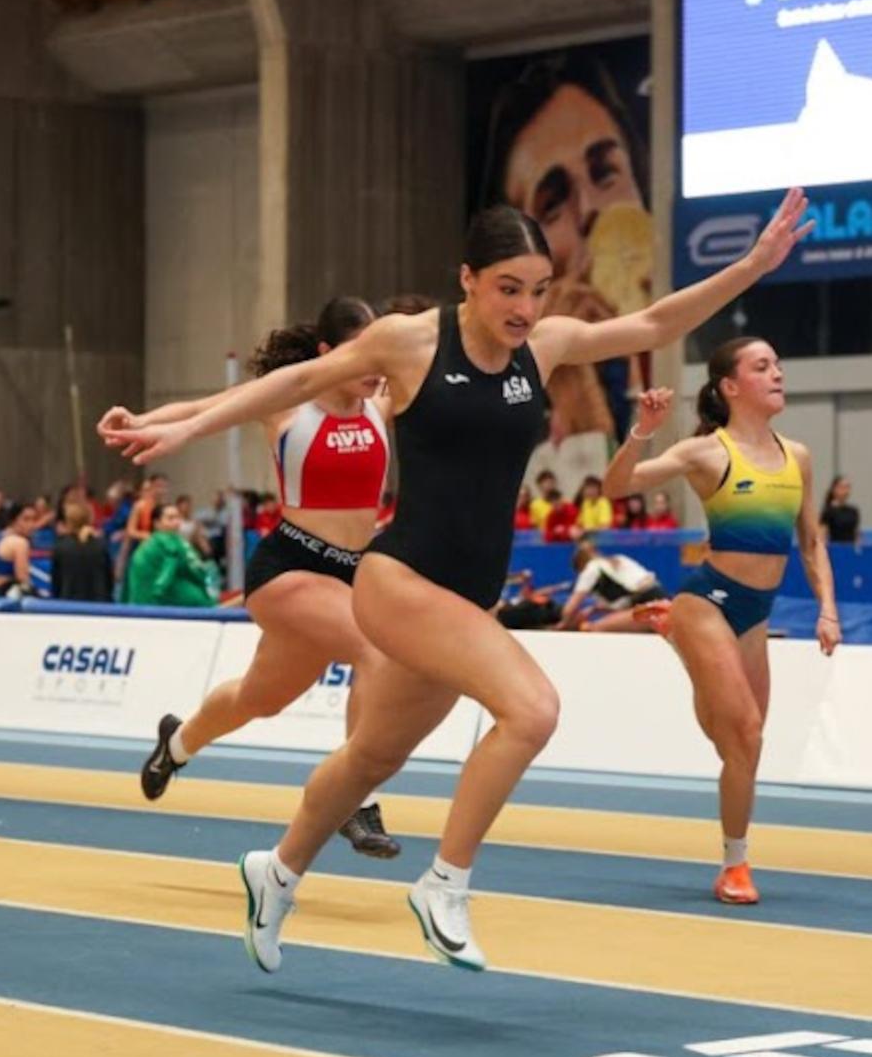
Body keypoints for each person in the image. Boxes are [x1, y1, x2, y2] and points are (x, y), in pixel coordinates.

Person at [102, 190, 810, 971]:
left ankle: (276, 870)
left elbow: (653, 324)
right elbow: (294, 385)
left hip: (468, 593)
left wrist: (752, 266)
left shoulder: (542, 347)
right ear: (468, 279)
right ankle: (445, 882)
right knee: (533, 708)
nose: (525, 306)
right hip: (398, 577)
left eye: (538, 288)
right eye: (509, 287)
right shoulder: (409, 341)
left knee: (371, 757)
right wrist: (183, 426)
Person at [104, 296, 403, 861]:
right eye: (362, 353)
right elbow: (207, 406)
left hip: (347, 575)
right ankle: (359, 798)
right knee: (375, 648)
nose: (375, 367)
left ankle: (178, 741)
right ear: (325, 354)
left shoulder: (380, 405)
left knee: (258, 698)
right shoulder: (289, 403)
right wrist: (140, 423)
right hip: (289, 567)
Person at [603, 342, 839, 901]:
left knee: (734, 744)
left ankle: (677, 637)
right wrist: (642, 430)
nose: (777, 371)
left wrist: (827, 608)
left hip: (756, 614)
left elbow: (811, 541)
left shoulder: (797, 456)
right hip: (709, 599)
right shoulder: (706, 452)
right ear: (730, 387)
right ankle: (735, 865)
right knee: (745, 733)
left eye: (778, 364)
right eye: (762, 367)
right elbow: (617, 486)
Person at [480, 51, 651, 471]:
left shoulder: (673, 348)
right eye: (553, 202)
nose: (591, 209)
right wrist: (570, 389)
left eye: (605, 171)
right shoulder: (521, 372)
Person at [558, 539, 666, 632]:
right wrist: (595, 609)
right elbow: (627, 598)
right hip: (661, 601)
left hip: (648, 608)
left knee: (594, 629)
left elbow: (569, 609)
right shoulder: (619, 558)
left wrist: (563, 624)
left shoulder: (591, 568)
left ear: (581, 566)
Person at [125, 503, 216, 608]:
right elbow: (167, 573)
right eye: (170, 518)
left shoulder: (153, 541)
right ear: (157, 523)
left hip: (140, 600)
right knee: (198, 598)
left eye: (178, 517)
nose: (176, 522)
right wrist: (158, 591)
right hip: (154, 597)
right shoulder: (167, 541)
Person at [50, 500, 112, 602]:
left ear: (68, 521)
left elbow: (56, 584)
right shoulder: (101, 546)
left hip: (68, 606)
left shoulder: (60, 547)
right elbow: (109, 581)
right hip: (99, 607)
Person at [0, 503, 38, 597]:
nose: (31, 525)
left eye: (34, 520)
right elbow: (23, 579)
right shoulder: (20, 543)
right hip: (8, 597)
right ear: (13, 520)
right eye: (26, 519)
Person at [821, 475, 859, 545]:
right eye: (842, 487)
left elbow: (856, 535)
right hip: (835, 550)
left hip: (850, 550)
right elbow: (822, 535)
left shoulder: (854, 511)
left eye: (848, 487)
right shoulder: (828, 511)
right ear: (834, 489)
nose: (845, 491)